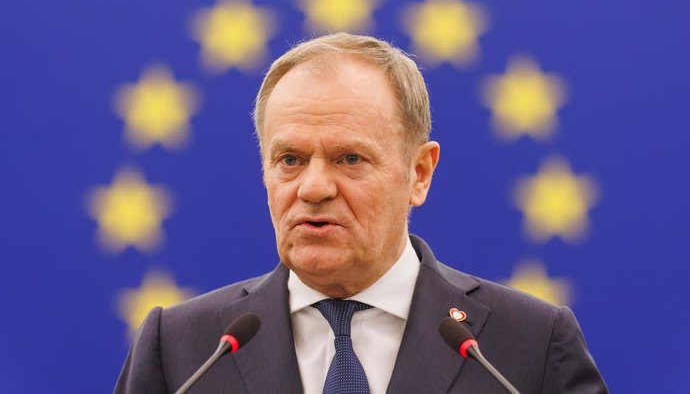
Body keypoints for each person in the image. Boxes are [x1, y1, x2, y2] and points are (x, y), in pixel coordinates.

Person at [115, 33, 607, 393]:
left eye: (349, 159)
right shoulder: (183, 350)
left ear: (419, 173)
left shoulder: (528, 346)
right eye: (290, 160)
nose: (313, 187)